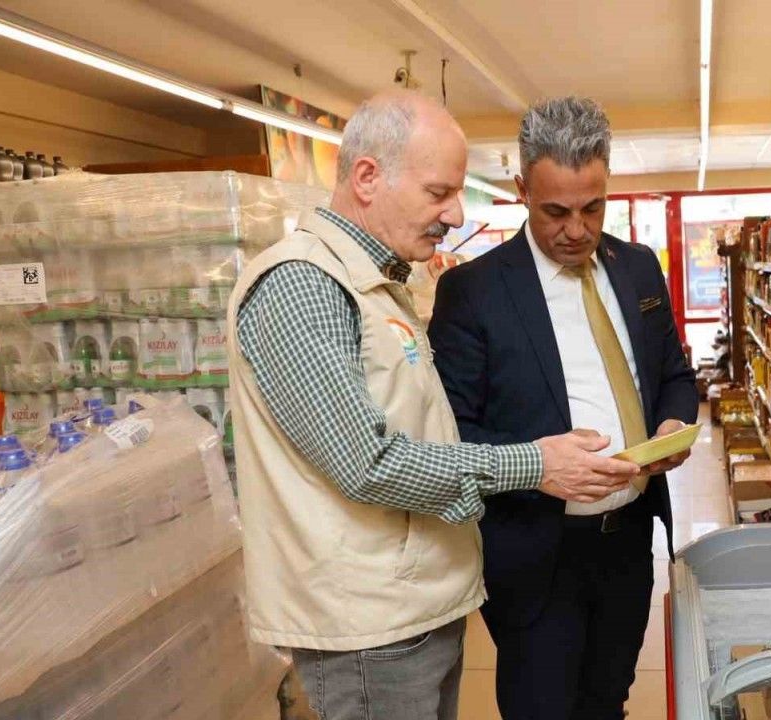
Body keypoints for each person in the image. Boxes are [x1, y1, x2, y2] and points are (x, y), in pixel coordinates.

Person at [225, 90, 640, 720]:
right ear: (368, 178)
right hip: (367, 625)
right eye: (438, 193)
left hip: (412, 608)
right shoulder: (303, 286)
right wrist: (536, 464)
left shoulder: (374, 285)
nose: (455, 214)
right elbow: (367, 463)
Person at [429, 96, 699, 720]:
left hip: (628, 540)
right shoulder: (473, 291)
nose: (576, 229)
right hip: (536, 553)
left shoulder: (638, 268)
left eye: (592, 208)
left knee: (608, 700)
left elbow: (673, 375)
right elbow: (452, 433)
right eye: (555, 211)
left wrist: (673, 422)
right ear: (522, 191)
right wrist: (538, 466)